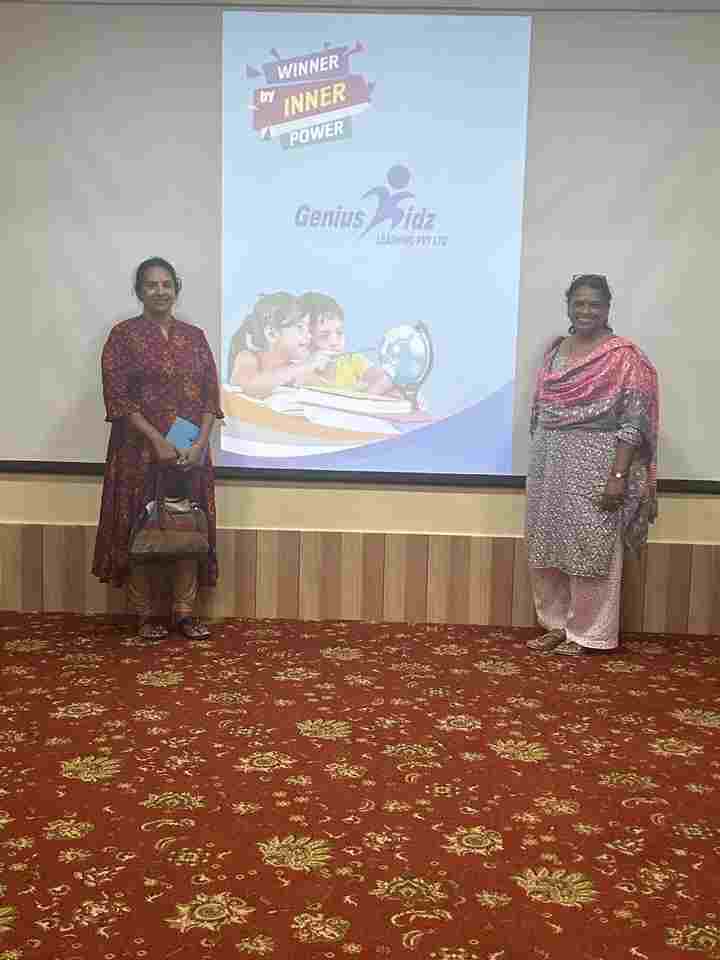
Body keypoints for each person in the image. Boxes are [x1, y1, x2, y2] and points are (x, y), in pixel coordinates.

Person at [525, 274, 659, 656]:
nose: (586, 311)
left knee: (591, 548)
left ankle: (588, 633)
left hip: (599, 463)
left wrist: (618, 476)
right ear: (568, 306)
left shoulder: (624, 356)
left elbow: (633, 422)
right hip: (550, 461)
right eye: (579, 303)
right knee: (547, 544)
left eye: (594, 304)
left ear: (607, 308)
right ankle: (556, 625)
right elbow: (543, 410)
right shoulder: (554, 351)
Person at [92, 257, 223, 641]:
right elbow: (118, 398)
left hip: (188, 450)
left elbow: (210, 396)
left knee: (186, 527)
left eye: (166, 284)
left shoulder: (195, 337)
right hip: (138, 449)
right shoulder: (123, 336)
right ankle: (145, 614)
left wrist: (199, 444)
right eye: (151, 285)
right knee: (141, 529)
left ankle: (184, 613)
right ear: (139, 291)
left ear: (176, 289)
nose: (160, 291)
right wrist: (156, 440)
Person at [227, 292, 332, 398]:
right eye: (300, 327)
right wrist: (304, 366)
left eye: (308, 328)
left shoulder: (293, 367)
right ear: (272, 334)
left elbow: (327, 391)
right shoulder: (248, 358)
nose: (309, 335)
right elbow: (252, 387)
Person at [297, 292, 393, 394]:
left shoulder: (352, 360)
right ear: (305, 338)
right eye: (324, 336)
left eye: (339, 333)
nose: (334, 342)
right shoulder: (300, 369)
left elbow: (384, 377)